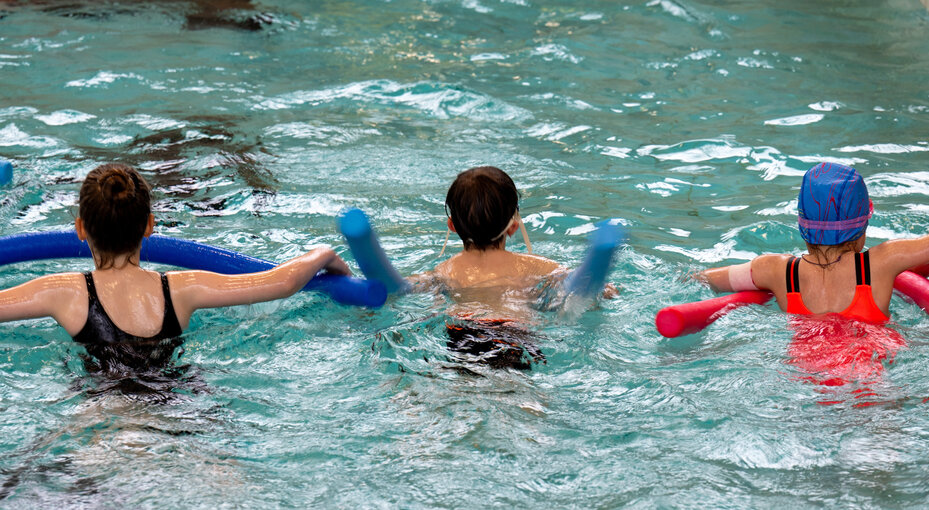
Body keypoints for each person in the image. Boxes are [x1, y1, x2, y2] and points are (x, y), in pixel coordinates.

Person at [0, 163, 350, 373]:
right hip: (175, 404)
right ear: (150, 226)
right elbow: (283, 282)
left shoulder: (62, 293)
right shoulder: (182, 289)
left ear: (80, 229)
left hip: (102, 412)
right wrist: (324, 253)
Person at [698, 162, 929, 322]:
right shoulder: (882, 262)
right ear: (862, 227)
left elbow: (708, 279)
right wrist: (906, 267)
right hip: (868, 372)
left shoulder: (776, 271)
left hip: (804, 376)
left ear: (801, 224)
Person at [415, 166, 566, 369]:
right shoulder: (536, 266)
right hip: (514, 334)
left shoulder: (445, 270)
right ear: (513, 226)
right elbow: (584, 285)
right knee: (518, 392)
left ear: (452, 225)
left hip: (463, 333)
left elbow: (405, 287)